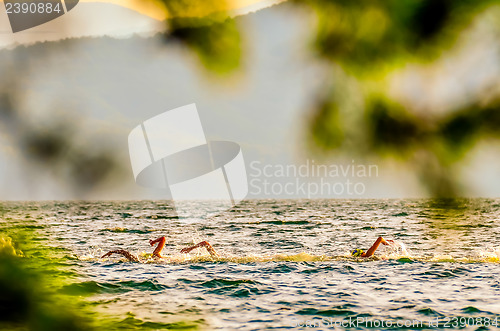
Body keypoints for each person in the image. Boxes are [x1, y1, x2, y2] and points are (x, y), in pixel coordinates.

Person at [101, 236, 219, 261]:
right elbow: (163, 238)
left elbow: (125, 253)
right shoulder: (156, 255)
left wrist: (112, 252)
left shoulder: (152, 257)